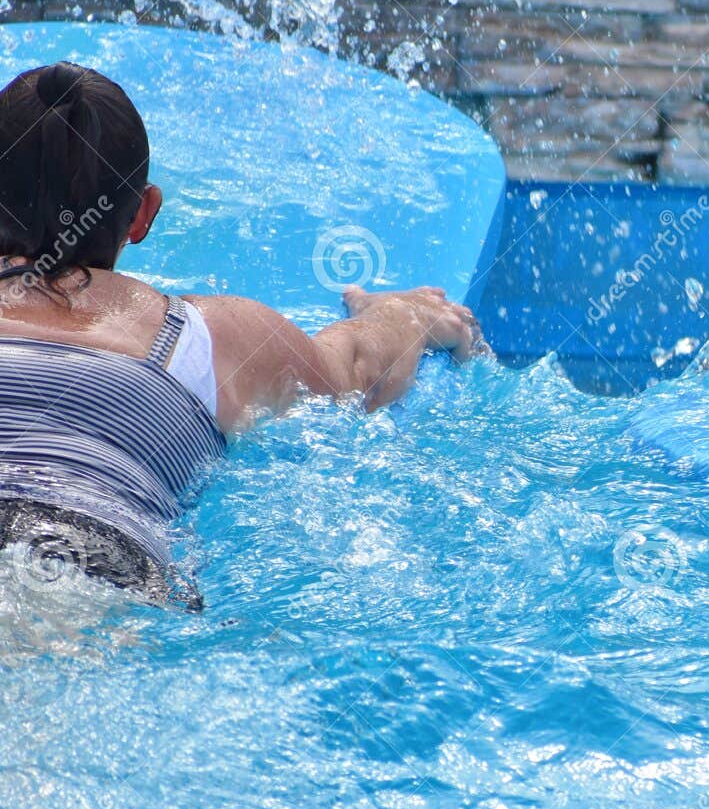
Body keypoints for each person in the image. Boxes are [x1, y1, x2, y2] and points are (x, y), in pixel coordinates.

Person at [0, 61, 480, 607]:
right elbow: (360, 375)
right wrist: (405, 311)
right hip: (99, 564)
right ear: (143, 216)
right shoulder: (203, 337)